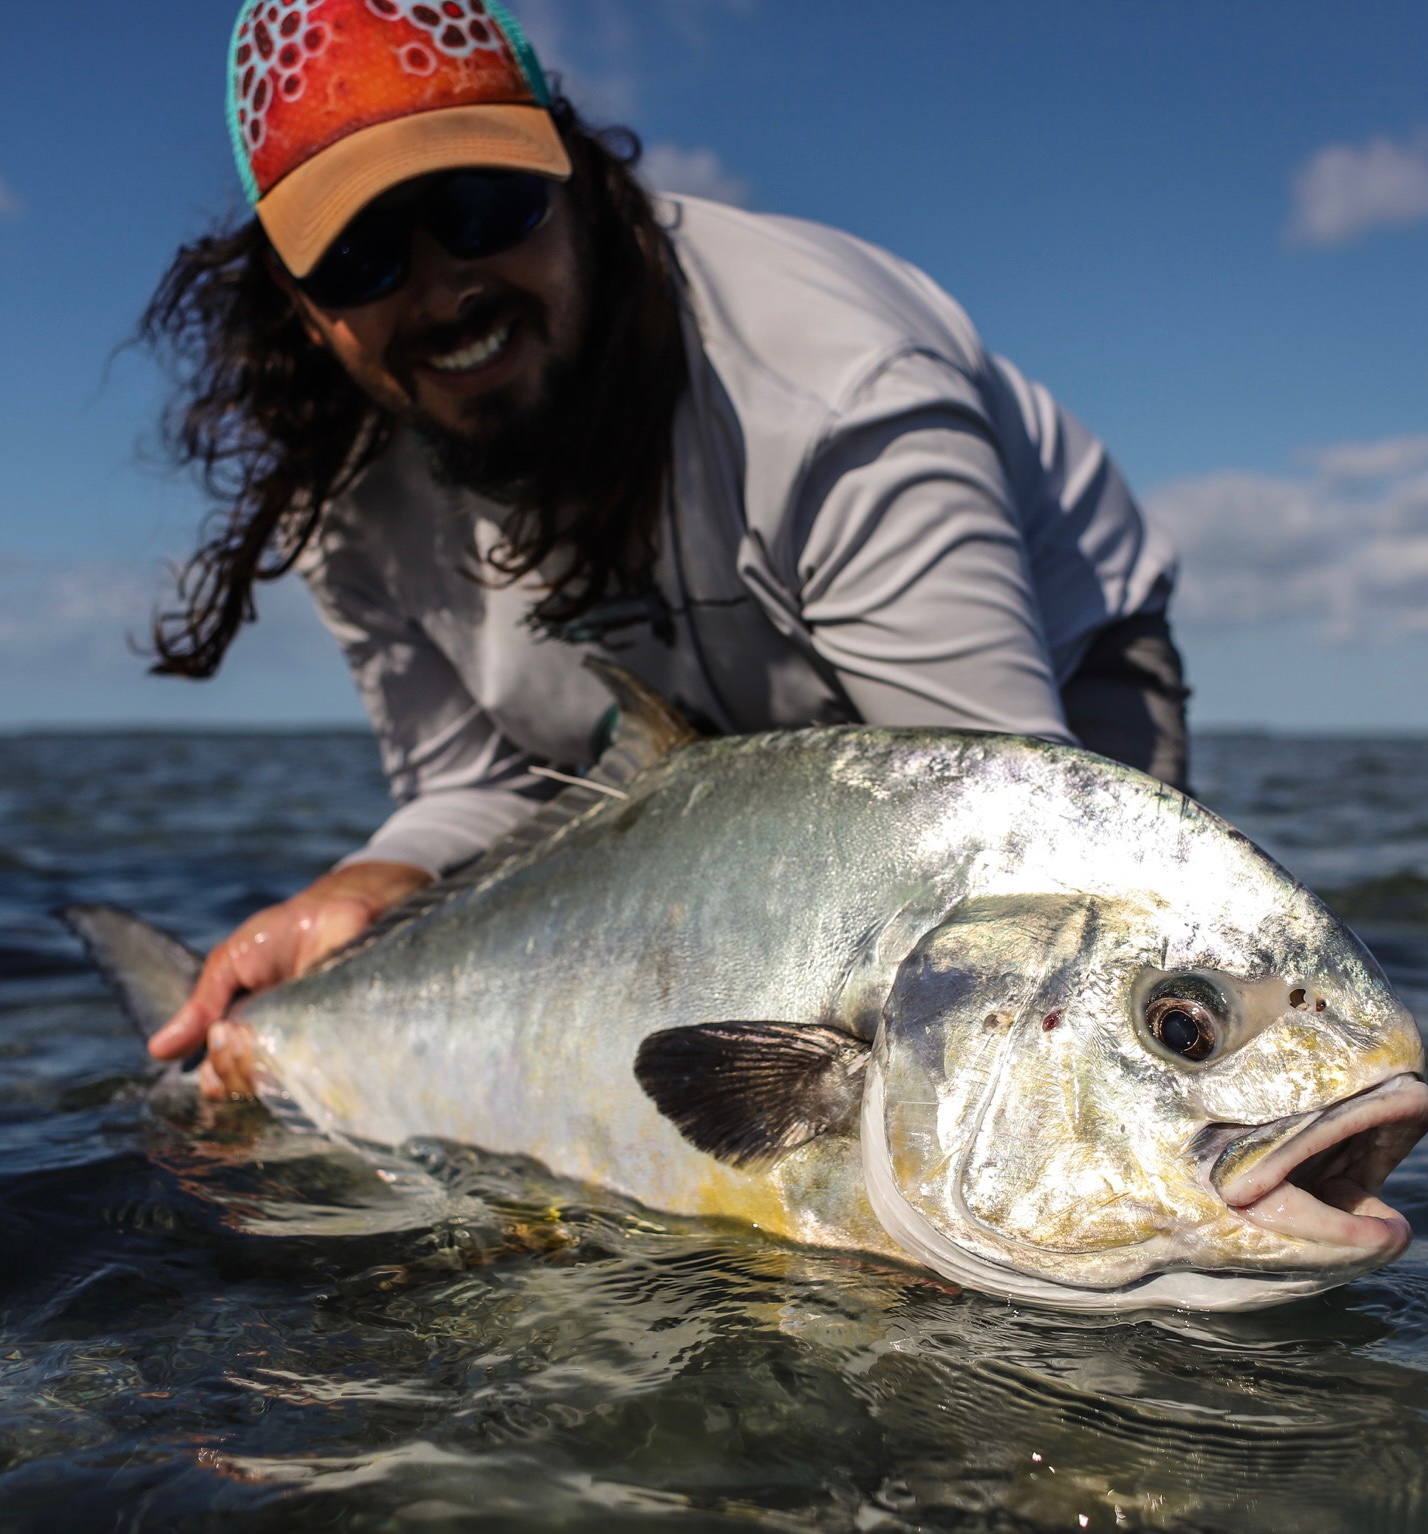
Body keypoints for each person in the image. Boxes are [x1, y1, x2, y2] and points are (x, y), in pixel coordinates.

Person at [141, 0, 1188, 1097]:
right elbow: (489, 784)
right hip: (675, 749)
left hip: (1042, 711)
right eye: (358, 257)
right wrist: (372, 880)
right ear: (302, 309)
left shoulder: (838, 389)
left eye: (482, 204)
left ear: (579, 180)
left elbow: (1006, 838)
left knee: (1082, 1066)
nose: (445, 287)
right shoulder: (341, 488)